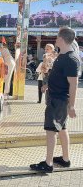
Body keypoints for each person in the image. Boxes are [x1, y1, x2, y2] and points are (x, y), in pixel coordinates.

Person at [30, 27, 81, 173]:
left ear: (61, 39)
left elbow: (74, 84)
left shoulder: (71, 59)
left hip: (58, 101)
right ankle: (65, 159)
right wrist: (47, 84)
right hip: (56, 98)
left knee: (51, 130)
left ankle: (48, 164)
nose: (55, 38)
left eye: (57, 36)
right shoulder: (62, 55)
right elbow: (59, 75)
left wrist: (72, 106)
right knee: (62, 129)